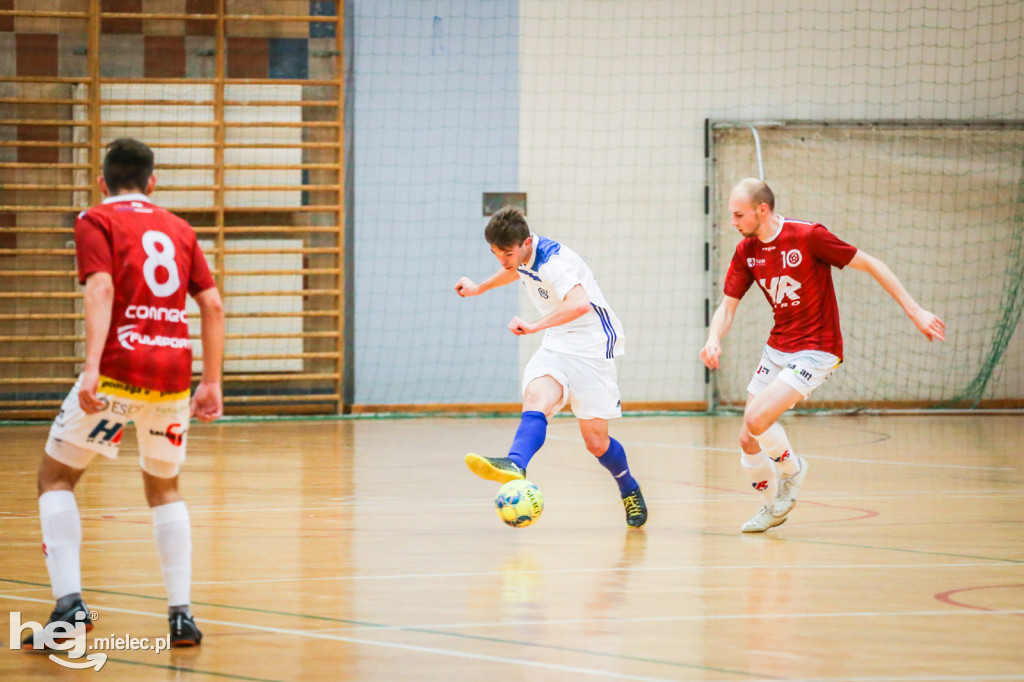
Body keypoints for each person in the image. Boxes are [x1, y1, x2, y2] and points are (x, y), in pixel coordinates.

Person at [21, 138, 224, 650]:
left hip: (117, 371)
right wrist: (212, 381)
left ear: (102, 181)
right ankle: (182, 616)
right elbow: (213, 305)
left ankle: (69, 612)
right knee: (164, 488)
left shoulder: (96, 219)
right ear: (152, 182)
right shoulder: (179, 228)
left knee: (56, 477)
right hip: (172, 376)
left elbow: (102, 288)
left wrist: (91, 366)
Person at [701, 178, 945, 533]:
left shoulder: (808, 236)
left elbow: (873, 264)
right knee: (746, 437)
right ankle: (772, 507)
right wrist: (713, 339)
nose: (733, 223)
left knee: (756, 419)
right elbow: (727, 307)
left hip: (817, 348)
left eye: (738, 215)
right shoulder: (746, 251)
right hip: (778, 346)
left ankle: (793, 470)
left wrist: (915, 311)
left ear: (761, 210)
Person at [454, 206, 647, 528]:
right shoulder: (521, 257)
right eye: (495, 253)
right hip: (558, 342)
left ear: (526, 243)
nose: (502, 259)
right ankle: (515, 463)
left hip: (592, 346)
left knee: (596, 443)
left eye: (507, 252)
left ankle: (629, 487)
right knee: (536, 399)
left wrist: (533, 326)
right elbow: (514, 270)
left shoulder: (555, 263)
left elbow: (579, 303)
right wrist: (479, 288)